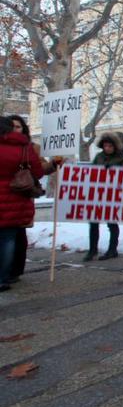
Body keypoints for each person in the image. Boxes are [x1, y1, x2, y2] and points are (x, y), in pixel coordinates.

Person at [7, 115, 62, 281]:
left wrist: (53, 164)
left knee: (18, 236)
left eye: (18, 126)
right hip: (5, 196)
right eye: (12, 126)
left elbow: (40, 169)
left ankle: (13, 271)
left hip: (22, 197)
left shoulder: (31, 148)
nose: (16, 130)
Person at [0, 117, 45, 291]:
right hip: (15, 198)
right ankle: (4, 278)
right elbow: (38, 172)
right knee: (8, 239)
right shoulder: (24, 147)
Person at [88, 132, 123, 260]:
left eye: (110, 146)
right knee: (93, 222)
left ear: (115, 146)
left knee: (112, 223)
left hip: (114, 195)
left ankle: (112, 249)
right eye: (105, 146)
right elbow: (91, 173)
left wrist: (113, 171)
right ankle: (92, 250)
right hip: (98, 194)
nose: (107, 148)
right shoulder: (99, 157)